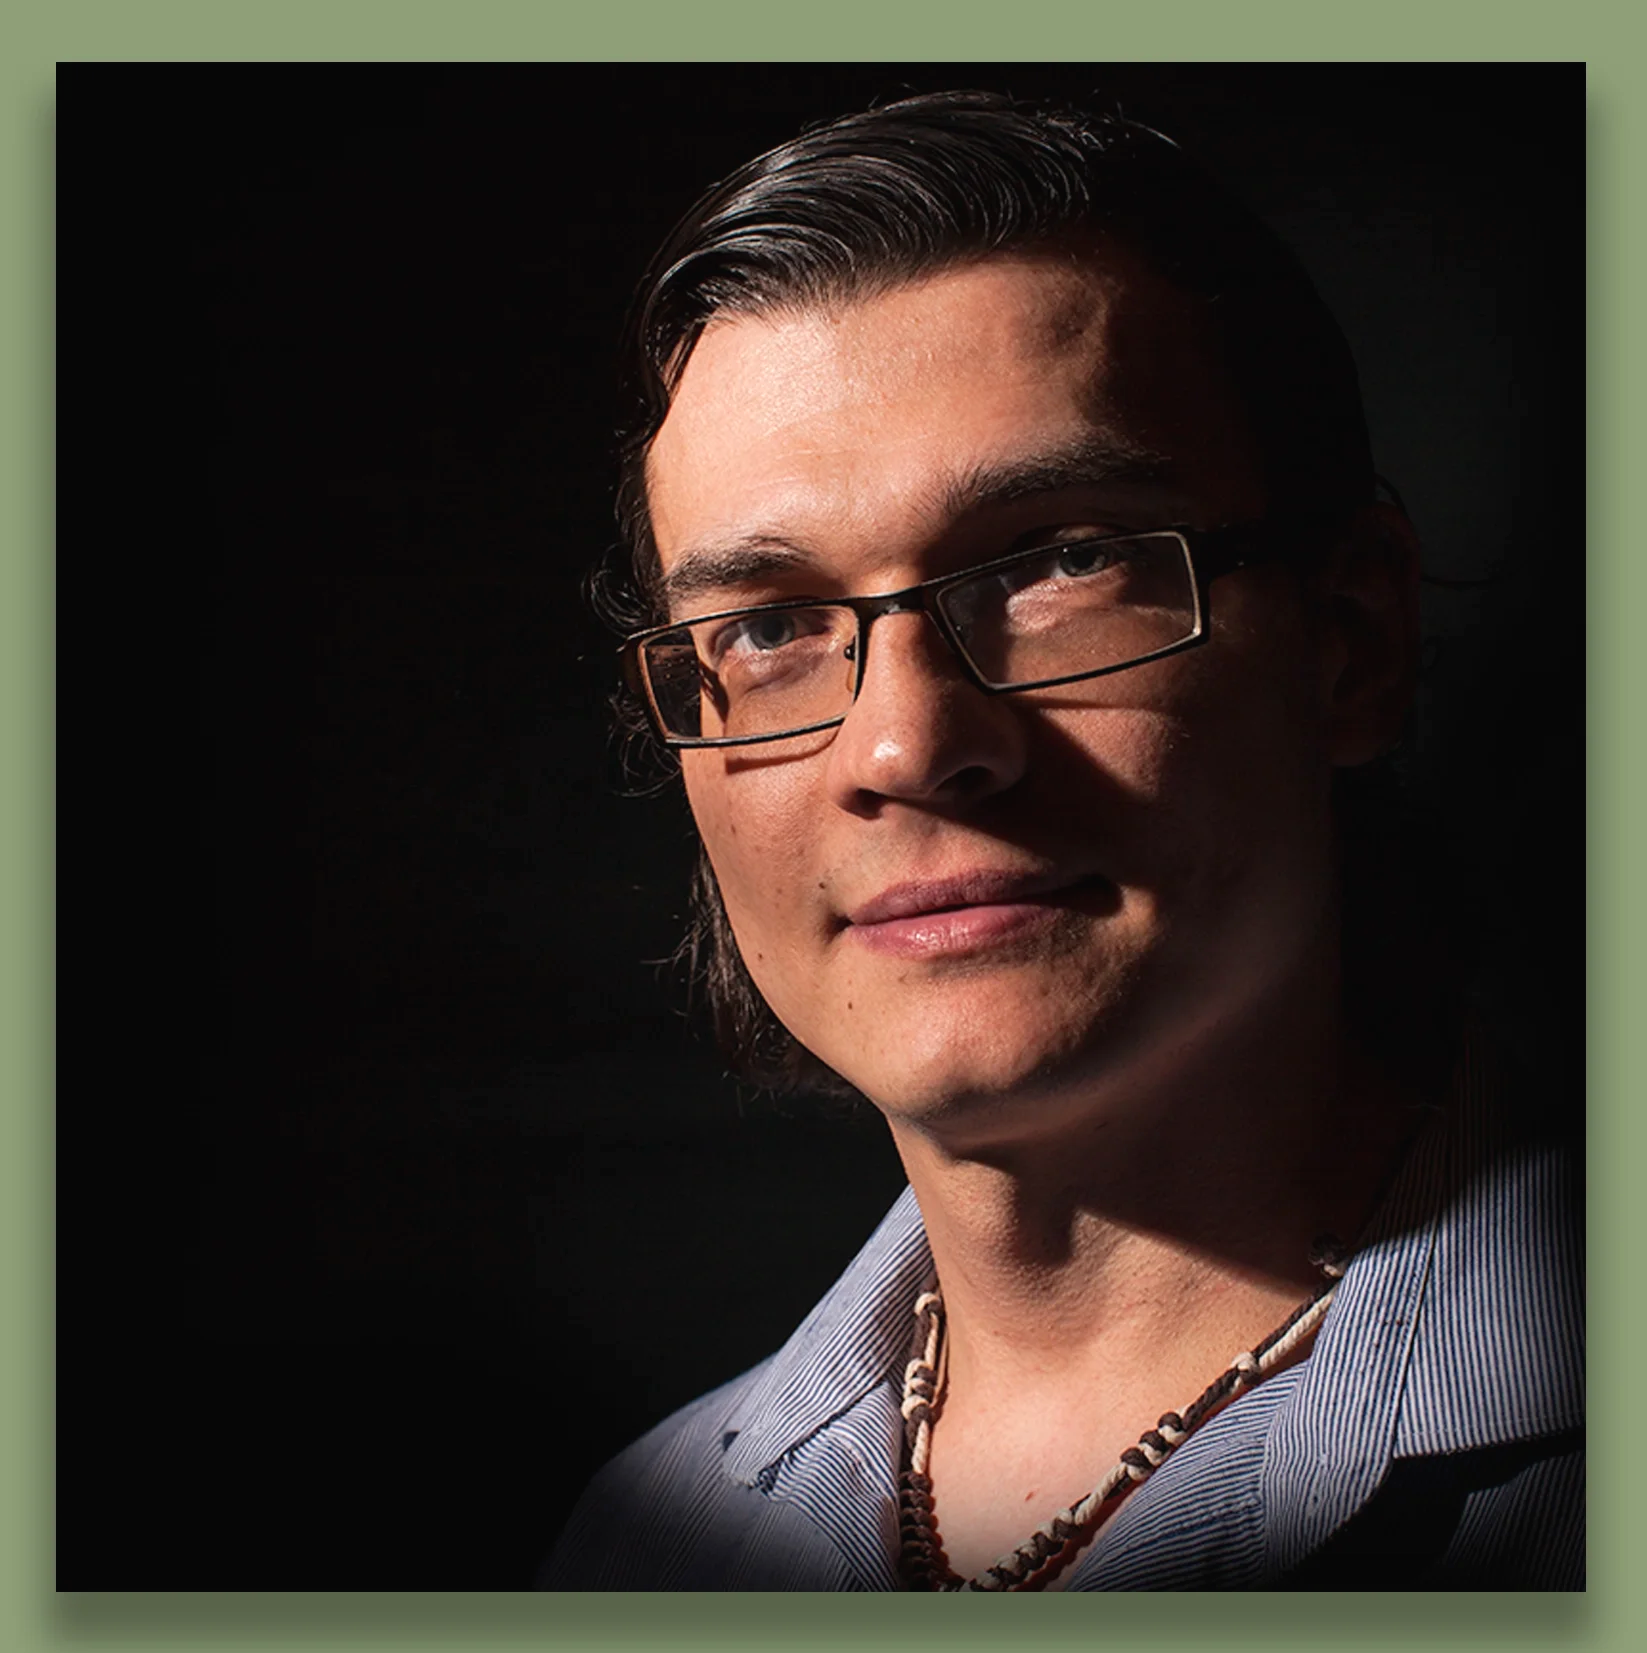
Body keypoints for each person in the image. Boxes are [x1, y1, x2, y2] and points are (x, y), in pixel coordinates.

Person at [542, 91, 1582, 1591]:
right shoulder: (639, 1554)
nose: (905, 746)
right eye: (769, 626)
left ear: (1352, 641)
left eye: (1061, 562)